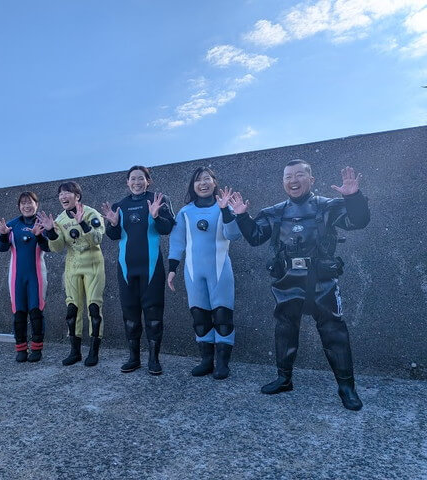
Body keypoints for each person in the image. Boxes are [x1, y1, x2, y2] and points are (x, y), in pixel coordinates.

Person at [229, 161, 369, 411]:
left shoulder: (327, 205)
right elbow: (255, 237)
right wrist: (241, 216)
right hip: (288, 280)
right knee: (285, 329)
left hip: (322, 279)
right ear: (283, 182)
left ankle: (347, 388)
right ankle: (284, 379)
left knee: (334, 331)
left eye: (299, 175)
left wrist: (353, 197)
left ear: (311, 179)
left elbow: (358, 221)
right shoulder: (274, 212)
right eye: (288, 177)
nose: (293, 180)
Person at [168, 167, 242, 380]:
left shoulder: (224, 207)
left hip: (220, 271)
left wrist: (226, 210)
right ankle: (206, 361)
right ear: (193, 185)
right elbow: (177, 242)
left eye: (207, 179)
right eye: (198, 180)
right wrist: (172, 269)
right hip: (193, 272)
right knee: (199, 317)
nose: (203, 183)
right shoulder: (185, 212)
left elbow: (233, 235)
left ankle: (223, 363)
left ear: (214, 182)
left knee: (222, 316)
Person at [102, 166, 175, 375]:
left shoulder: (159, 200)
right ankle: (134, 358)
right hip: (126, 269)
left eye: (140, 178)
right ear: (127, 182)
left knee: (154, 315)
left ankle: (154, 359)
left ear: (148, 181)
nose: (136, 182)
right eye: (132, 179)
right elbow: (113, 235)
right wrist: (113, 224)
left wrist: (157, 216)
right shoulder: (120, 205)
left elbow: (168, 228)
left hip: (152, 268)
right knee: (130, 316)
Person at [37, 182, 105, 367]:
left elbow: (97, 238)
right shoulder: (59, 220)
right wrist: (50, 231)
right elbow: (58, 247)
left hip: (93, 264)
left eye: (67, 192)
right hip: (73, 266)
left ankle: (94, 352)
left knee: (94, 307)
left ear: (77, 196)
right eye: (60, 193)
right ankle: (75, 351)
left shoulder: (91, 213)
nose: (63, 196)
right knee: (72, 309)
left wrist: (82, 222)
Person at [0, 192, 50, 363]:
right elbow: (0, 247)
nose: (27, 206)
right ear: (19, 207)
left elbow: (49, 247)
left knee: (36, 311)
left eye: (30, 202)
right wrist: (3, 234)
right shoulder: (12, 225)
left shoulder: (42, 224)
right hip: (16, 277)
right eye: (23, 203)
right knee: (18, 312)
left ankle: (36, 349)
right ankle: (20, 349)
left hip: (37, 275)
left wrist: (40, 235)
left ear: (36, 205)